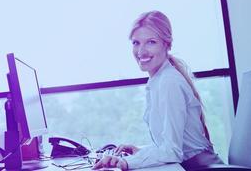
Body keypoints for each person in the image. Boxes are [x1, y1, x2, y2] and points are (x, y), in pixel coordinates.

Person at [93, 10, 223, 171]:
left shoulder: (169, 82)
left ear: (167, 44)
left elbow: (172, 152)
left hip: (200, 168)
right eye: (136, 43)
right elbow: (171, 146)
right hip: (188, 165)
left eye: (151, 42)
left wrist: (127, 163)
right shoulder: (158, 80)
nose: (141, 52)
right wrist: (141, 152)